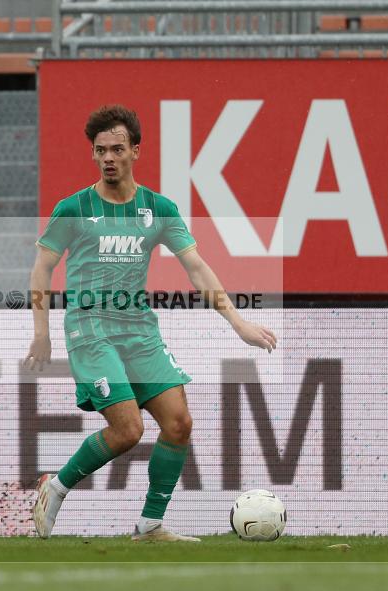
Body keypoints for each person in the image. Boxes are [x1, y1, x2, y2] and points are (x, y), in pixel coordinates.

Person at [25, 104, 277, 542]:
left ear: (135, 151)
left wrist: (238, 323)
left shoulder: (157, 208)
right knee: (128, 430)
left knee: (178, 423)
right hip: (91, 329)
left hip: (139, 329)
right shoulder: (74, 208)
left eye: (117, 148)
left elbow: (196, 266)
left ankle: (149, 525)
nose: (108, 157)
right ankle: (57, 486)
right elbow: (42, 268)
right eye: (100, 150)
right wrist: (42, 333)